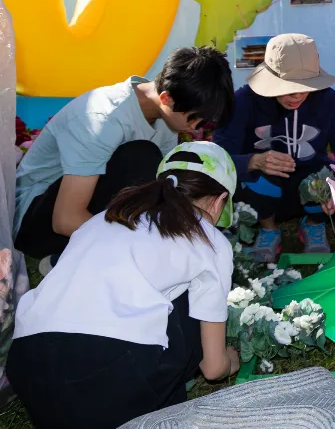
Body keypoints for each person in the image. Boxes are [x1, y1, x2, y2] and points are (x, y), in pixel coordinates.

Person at [8, 143, 240, 429]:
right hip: (108, 377)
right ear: (219, 201)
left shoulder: (104, 218)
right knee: (192, 304)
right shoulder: (208, 238)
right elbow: (213, 368)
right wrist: (231, 358)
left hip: (29, 369)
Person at [14, 46, 235, 265]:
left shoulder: (166, 120)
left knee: (163, 181)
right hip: (37, 225)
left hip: (80, 218)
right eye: (194, 119)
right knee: (141, 156)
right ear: (166, 98)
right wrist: (138, 250)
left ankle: (77, 257)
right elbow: (65, 219)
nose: (194, 127)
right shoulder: (102, 119)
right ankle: (66, 256)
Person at [213, 33, 335, 262]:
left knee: (323, 179)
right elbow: (219, 155)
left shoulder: (329, 101)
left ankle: (314, 224)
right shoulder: (244, 101)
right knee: (258, 178)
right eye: (287, 87)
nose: (296, 95)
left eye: (305, 86)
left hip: (308, 185)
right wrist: (253, 162)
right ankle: (269, 228)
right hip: (260, 190)